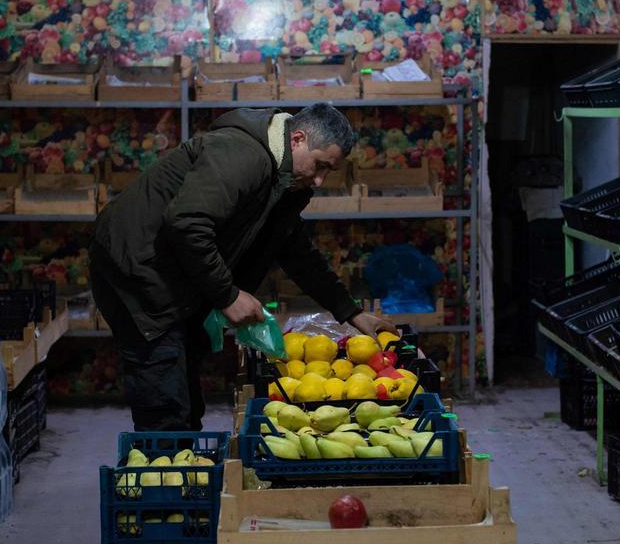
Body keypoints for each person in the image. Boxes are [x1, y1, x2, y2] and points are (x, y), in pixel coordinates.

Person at [90, 102, 395, 431]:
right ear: (297, 140)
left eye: (328, 171)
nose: (320, 180)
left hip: (171, 272)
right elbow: (187, 223)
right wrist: (228, 295)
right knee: (165, 402)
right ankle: (164, 472)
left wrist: (349, 312)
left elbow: (294, 250)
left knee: (184, 396)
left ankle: (185, 463)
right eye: (320, 165)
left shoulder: (286, 180)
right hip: (138, 273)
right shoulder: (242, 155)